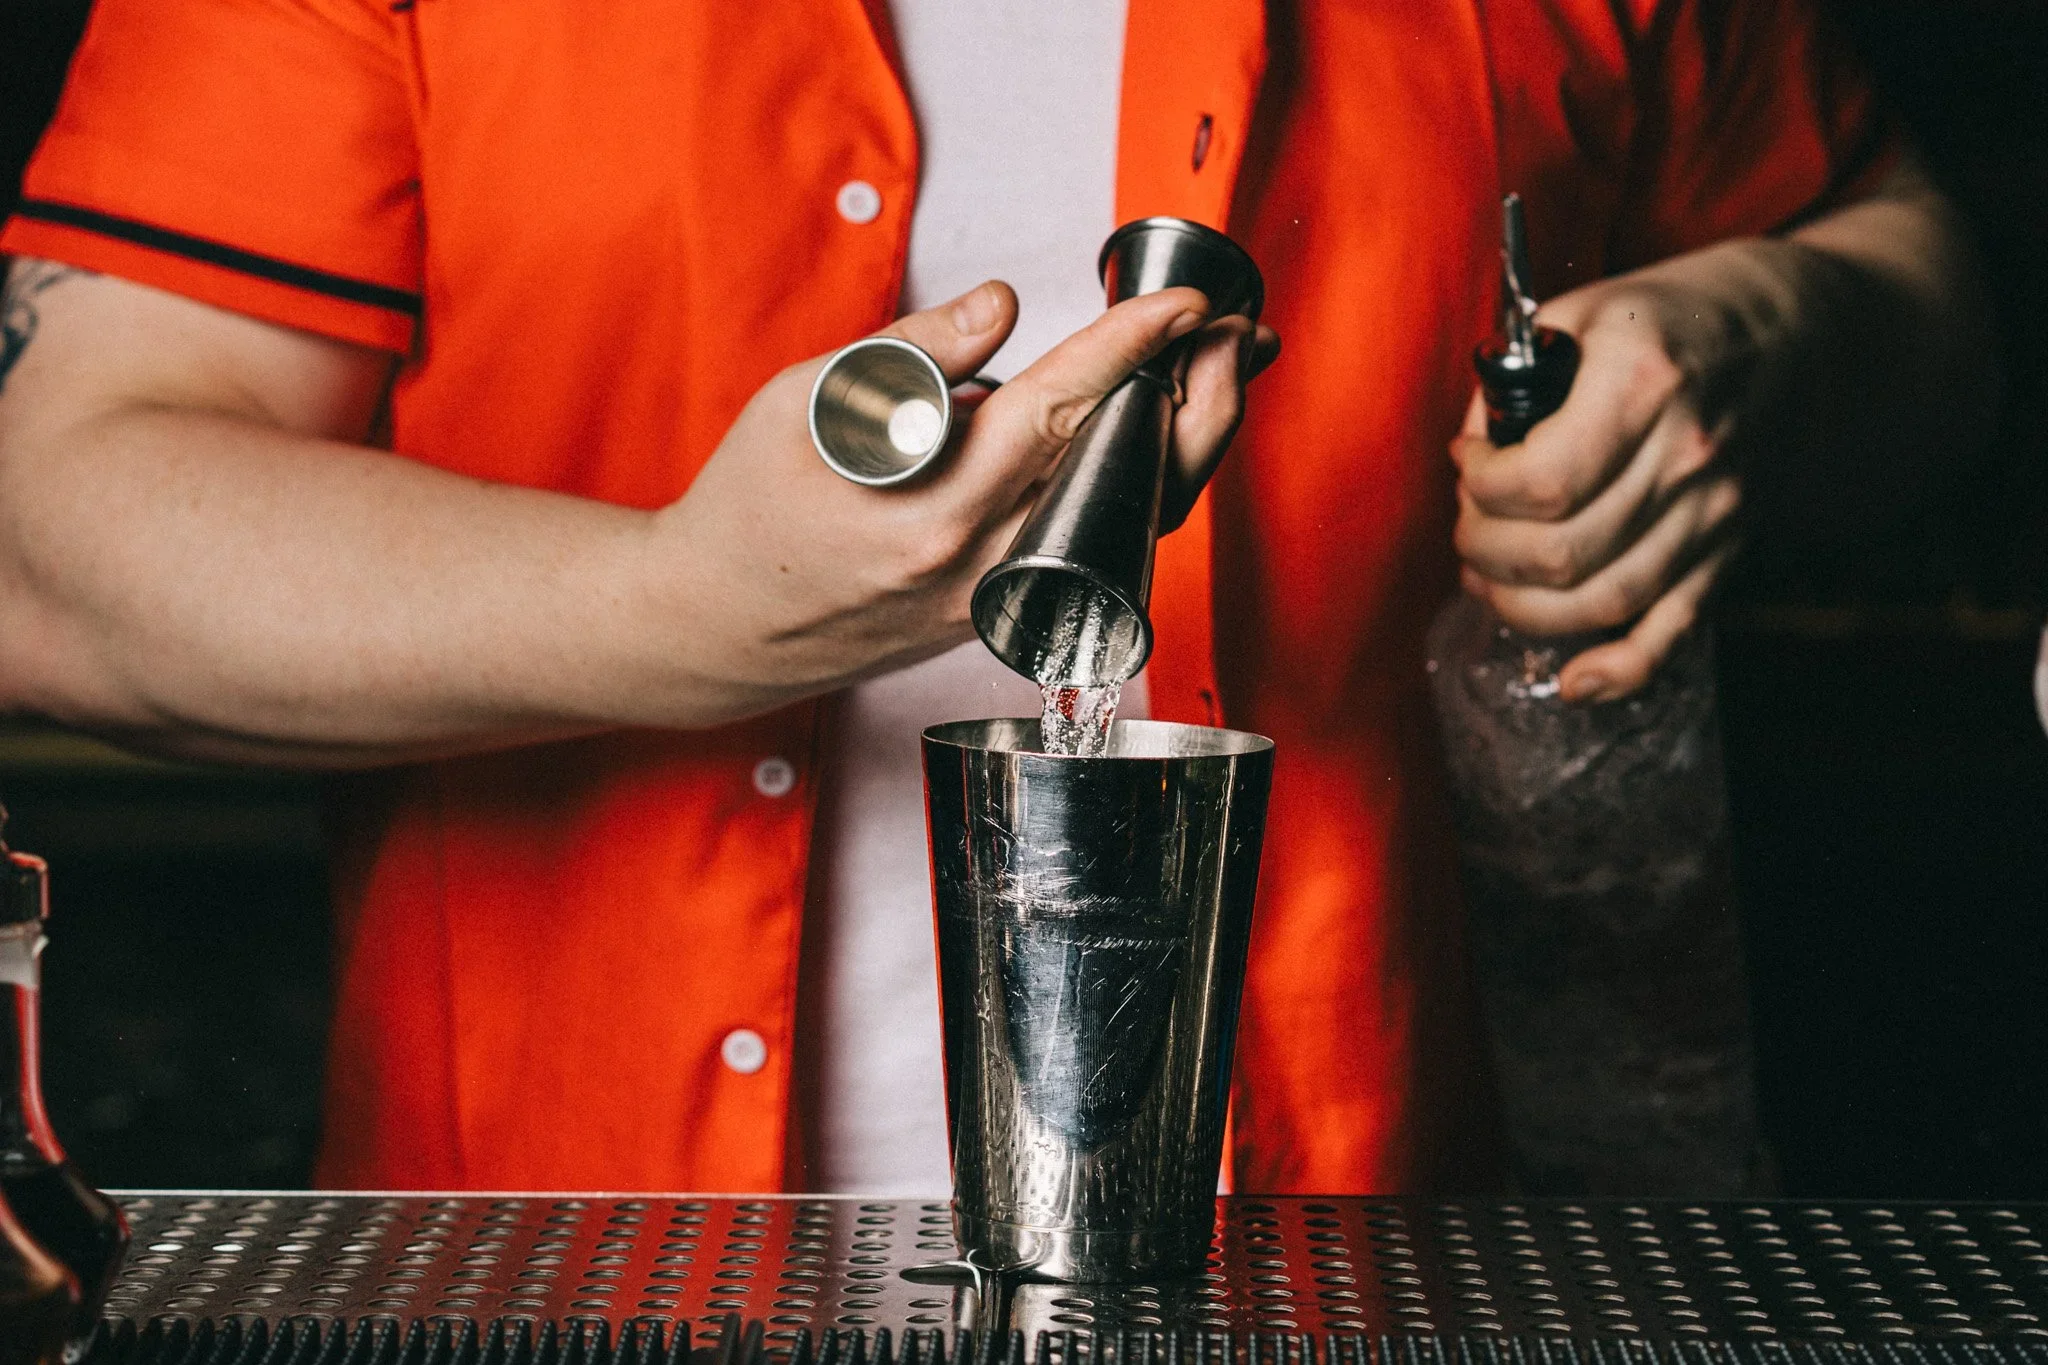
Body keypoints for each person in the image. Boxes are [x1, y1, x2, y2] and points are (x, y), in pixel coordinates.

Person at [0, 0, 1992, 1195]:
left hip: (1378, 1266)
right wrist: (687, 611)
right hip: (556, 1259)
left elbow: (1921, 301)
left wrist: (1756, 333)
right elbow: (55, 542)